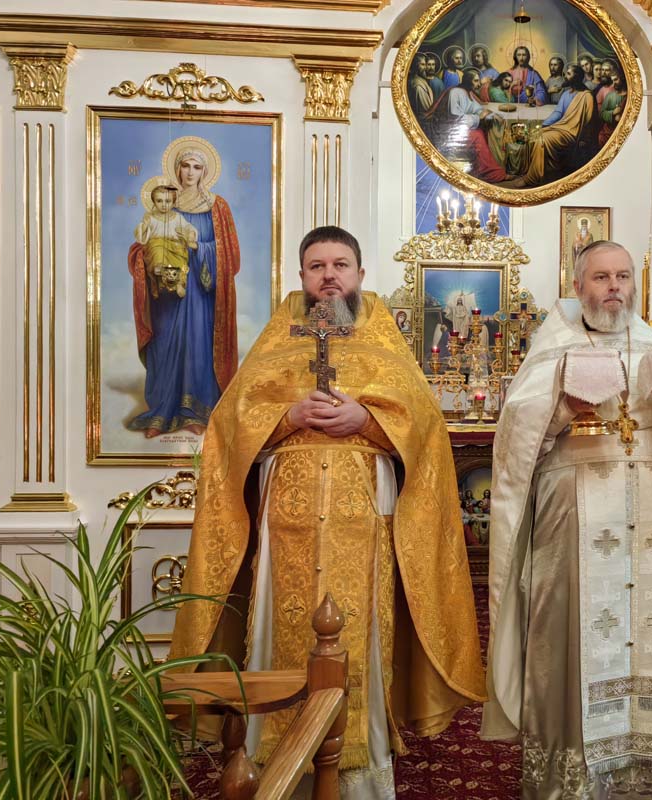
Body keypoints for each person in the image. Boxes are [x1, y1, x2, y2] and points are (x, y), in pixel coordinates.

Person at [169, 226, 485, 799]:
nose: (329, 275)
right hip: (283, 526)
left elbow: (425, 426)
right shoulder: (278, 340)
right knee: (277, 628)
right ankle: (276, 772)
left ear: (360, 274)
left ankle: (359, 780)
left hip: (363, 522)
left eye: (341, 264)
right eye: (317, 266)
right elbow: (227, 428)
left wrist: (369, 421)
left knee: (359, 639)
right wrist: (285, 417)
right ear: (301, 276)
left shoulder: (383, 341)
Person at [482, 240, 652, 799]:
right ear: (578, 287)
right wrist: (562, 405)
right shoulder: (553, 350)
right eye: (600, 277)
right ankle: (573, 782)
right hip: (574, 513)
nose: (614, 287)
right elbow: (515, 436)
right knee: (573, 634)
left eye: (622, 276)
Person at [128, 145, 240, 438]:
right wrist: (148, 258)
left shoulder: (218, 206)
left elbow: (230, 254)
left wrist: (198, 247)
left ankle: (195, 412)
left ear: (205, 172)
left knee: (197, 346)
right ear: (176, 169)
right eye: (185, 166)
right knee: (165, 345)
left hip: (202, 293)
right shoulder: (165, 202)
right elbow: (140, 246)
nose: (190, 172)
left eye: (197, 167)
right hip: (167, 293)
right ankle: (162, 412)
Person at [423, 69, 509, 183]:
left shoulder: (468, 93)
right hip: (447, 132)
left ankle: (484, 170)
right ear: (468, 81)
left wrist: (489, 114)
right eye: (476, 81)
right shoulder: (455, 92)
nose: (479, 84)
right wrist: (478, 118)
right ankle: (491, 173)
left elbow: (477, 109)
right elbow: (456, 118)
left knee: (483, 131)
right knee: (477, 136)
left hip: (460, 129)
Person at [520, 64, 598, 187]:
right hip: (561, 128)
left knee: (542, 139)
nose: (565, 76)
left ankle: (532, 178)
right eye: (565, 73)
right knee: (535, 134)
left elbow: (589, 122)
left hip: (573, 133)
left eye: (569, 74)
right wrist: (543, 125)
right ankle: (535, 172)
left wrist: (584, 139)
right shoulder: (566, 94)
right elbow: (558, 113)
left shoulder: (587, 96)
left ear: (577, 77)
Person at [134, 184, 199, 299]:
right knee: (157, 250)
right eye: (159, 201)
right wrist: (144, 226)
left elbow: (188, 227)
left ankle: (179, 284)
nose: (164, 205)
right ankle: (161, 272)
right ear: (154, 202)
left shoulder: (177, 217)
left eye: (168, 201)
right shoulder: (150, 217)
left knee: (180, 259)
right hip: (157, 245)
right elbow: (140, 235)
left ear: (173, 203)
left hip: (175, 246)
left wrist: (190, 233)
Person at [409, 52, 436, 118]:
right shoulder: (418, 86)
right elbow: (426, 111)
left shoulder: (421, 80)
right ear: (416, 66)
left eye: (425, 65)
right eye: (422, 64)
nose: (426, 68)